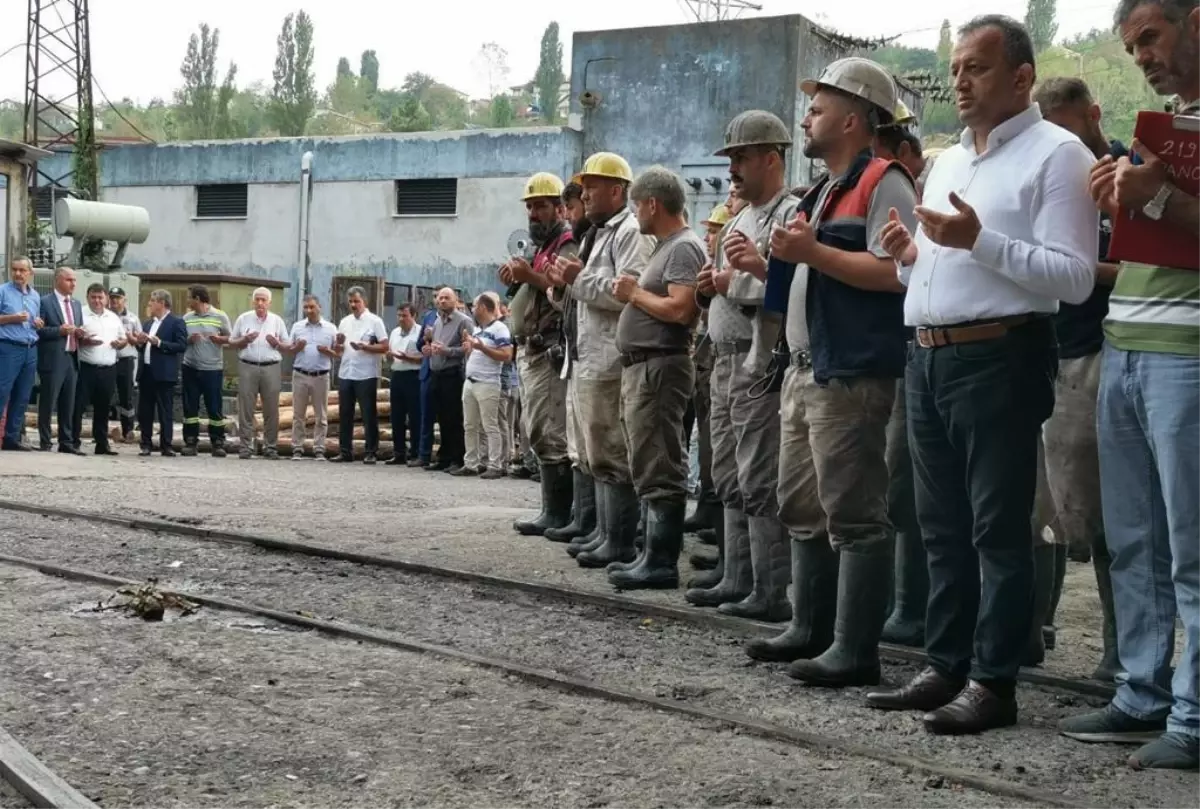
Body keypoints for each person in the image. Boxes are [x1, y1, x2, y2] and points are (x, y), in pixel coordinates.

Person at [867, 15, 1097, 734]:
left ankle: (994, 680)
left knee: (998, 527)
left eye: (977, 67)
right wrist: (913, 256)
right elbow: (952, 260)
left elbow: (1075, 276)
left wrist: (979, 239)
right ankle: (946, 664)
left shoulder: (1057, 155)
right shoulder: (949, 160)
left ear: (1023, 77)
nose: (960, 80)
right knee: (942, 526)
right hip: (929, 353)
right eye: (957, 66)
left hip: (1000, 355)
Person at [1058, 0, 1200, 771]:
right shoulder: (1165, 127)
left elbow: (1171, 212)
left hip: (1188, 356)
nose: (1142, 54)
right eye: (1132, 44)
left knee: (1192, 544)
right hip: (1126, 345)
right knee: (1135, 539)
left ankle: (1195, 715)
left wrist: (1154, 195)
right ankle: (1141, 693)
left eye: (1151, 35)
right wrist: (1127, 193)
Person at [750, 58, 919, 688]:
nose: (806, 118)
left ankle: (854, 648)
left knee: (852, 509)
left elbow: (896, 273)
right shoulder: (821, 190)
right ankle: (810, 628)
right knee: (803, 503)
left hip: (849, 370)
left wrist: (811, 251)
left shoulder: (885, 182)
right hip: (806, 367)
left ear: (852, 117)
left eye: (817, 110)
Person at [1032, 75, 1126, 680]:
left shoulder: (1124, 173)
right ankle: (1034, 626)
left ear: (1093, 116)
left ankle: (1120, 653)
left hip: (1099, 351)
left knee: (1104, 512)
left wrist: (1076, 269)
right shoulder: (1044, 177)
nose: (1060, 140)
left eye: (1068, 127)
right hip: (1044, 352)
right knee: (1039, 507)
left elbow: (1145, 267)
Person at [689, 112, 798, 622]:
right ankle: (738, 576)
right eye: (731, 158)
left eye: (741, 157)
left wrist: (735, 281)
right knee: (729, 471)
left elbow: (792, 287)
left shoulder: (789, 212)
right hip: (726, 359)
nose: (732, 168)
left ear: (771, 158)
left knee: (759, 475)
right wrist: (713, 283)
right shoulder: (739, 217)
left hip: (760, 362)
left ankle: (770, 590)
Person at [548, 152, 654, 570]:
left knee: (610, 449)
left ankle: (619, 540)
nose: (585, 194)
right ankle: (602, 532)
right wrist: (564, 285)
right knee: (592, 450)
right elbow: (590, 290)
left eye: (592, 186)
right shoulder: (598, 234)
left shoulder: (629, 232)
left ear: (617, 190)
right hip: (587, 357)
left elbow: (624, 291)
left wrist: (578, 279)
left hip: (609, 359)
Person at [609, 166, 702, 589]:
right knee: (647, 460)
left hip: (660, 367)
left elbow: (683, 310)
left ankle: (661, 562)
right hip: (646, 366)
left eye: (635, 205)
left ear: (652, 204)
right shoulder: (668, 246)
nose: (635, 214)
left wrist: (634, 294)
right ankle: (651, 554)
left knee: (661, 460)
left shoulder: (682, 248)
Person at [504, 172, 579, 536]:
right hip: (530, 348)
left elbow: (560, 286)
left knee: (549, 431)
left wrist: (529, 276)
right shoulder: (542, 246)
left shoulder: (566, 242)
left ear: (559, 208)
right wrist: (516, 275)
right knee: (535, 429)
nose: (534, 214)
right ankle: (552, 509)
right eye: (530, 207)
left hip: (549, 348)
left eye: (541, 206)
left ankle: (558, 513)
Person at [458, 293, 514, 479]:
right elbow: (476, 352)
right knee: (470, 425)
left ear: (483, 307)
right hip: (471, 381)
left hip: (488, 382)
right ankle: (471, 463)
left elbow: (506, 355)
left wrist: (482, 348)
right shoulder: (478, 330)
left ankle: (495, 464)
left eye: (474, 306)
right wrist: (470, 349)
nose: (472, 310)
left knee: (491, 425)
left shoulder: (500, 329)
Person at [229, 288, 289, 460]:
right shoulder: (244, 318)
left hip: (271, 367)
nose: (260, 303)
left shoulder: (277, 321)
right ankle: (246, 446)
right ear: (253, 301)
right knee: (246, 407)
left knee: (271, 409)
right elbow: (232, 342)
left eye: (264, 300)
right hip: (248, 365)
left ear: (269, 303)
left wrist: (276, 343)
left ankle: (270, 446)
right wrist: (245, 340)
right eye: (257, 300)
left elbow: (288, 346)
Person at [332, 286, 389, 464]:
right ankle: (345, 451)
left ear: (364, 301)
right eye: (350, 302)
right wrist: (339, 344)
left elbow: (385, 346)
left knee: (368, 414)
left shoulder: (375, 321)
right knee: (345, 413)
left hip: (366, 373)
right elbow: (339, 351)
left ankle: (371, 451)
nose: (353, 305)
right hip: (347, 372)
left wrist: (365, 347)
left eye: (356, 301)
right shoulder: (344, 322)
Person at [130, 289, 189, 457]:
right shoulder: (148, 323)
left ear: (162, 303)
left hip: (164, 374)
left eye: (152, 301)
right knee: (145, 411)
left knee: (165, 411)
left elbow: (181, 345)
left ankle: (166, 445)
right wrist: (139, 342)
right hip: (147, 372)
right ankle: (146, 444)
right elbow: (143, 348)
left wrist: (160, 343)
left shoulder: (176, 322)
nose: (149, 304)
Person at [422, 287, 473, 472]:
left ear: (456, 300)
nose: (442, 301)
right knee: (441, 417)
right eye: (440, 298)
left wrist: (446, 351)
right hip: (436, 373)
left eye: (446, 298)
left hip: (453, 374)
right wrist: (428, 351)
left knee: (454, 418)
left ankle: (457, 458)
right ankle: (443, 457)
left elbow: (468, 349)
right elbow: (433, 346)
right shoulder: (437, 322)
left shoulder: (464, 321)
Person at [36, 266, 86, 454]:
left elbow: (77, 327)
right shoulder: (45, 302)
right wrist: (59, 331)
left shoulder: (76, 304)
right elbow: (38, 330)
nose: (73, 283)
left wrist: (80, 332)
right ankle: (45, 441)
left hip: (72, 358)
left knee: (68, 403)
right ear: (57, 280)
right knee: (49, 401)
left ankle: (66, 442)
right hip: (53, 359)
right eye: (68, 280)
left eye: (74, 280)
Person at [282, 294, 338, 460]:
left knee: (321, 414)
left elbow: (338, 353)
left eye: (312, 307)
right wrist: (297, 347)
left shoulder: (331, 328)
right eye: (306, 307)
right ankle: (297, 448)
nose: (309, 310)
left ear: (319, 307)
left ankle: (319, 448)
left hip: (321, 375)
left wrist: (328, 352)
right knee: (298, 414)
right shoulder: (298, 327)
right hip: (300, 373)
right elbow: (289, 350)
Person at [73, 284, 126, 456]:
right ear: (88, 297)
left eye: (100, 297)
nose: (97, 301)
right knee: (78, 407)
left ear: (106, 299)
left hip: (108, 368)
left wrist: (120, 343)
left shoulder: (113, 317)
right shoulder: (80, 314)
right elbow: (73, 337)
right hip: (87, 368)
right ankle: (74, 441)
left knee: (103, 408)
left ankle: (102, 443)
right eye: (93, 297)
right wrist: (84, 341)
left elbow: (123, 338)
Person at [180, 285, 232, 458]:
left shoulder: (220, 316)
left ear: (197, 299)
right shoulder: (187, 318)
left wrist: (220, 339)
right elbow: (180, 341)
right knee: (190, 407)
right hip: (190, 368)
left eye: (189, 298)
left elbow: (230, 338)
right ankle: (190, 441)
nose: (187, 301)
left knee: (214, 407)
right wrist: (189, 339)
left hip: (212, 369)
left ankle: (217, 442)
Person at [0, 257, 42, 451]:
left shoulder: (35, 296)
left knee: (23, 395)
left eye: (22, 270)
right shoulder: (3, 291)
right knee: (2, 392)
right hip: (9, 347)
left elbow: (33, 321)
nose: (17, 274)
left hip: (30, 348)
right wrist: (12, 318)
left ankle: (12, 438)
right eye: (14, 269)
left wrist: (38, 323)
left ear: (30, 273)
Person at [386, 302, 423, 465]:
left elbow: (425, 357)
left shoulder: (421, 332)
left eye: (405, 316)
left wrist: (408, 358)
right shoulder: (394, 332)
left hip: (413, 375)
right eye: (399, 316)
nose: (401, 319)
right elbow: (392, 354)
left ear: (413, 316)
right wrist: (389, 357)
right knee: (396, 416)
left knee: (415, 416)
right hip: (397, 375)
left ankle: (416, 452)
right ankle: (399, 452)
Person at [108, 287, 141, 442]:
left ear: (124, 300)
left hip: (126, 360)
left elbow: (140, 341)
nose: (115, 301)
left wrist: (134, 340)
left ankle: (128, 430)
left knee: (126, 396)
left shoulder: (133, 318)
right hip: (107, 359)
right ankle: (101, 431)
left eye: (118, 298)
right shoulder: (105, 316)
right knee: (105, 395)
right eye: (112, 297)